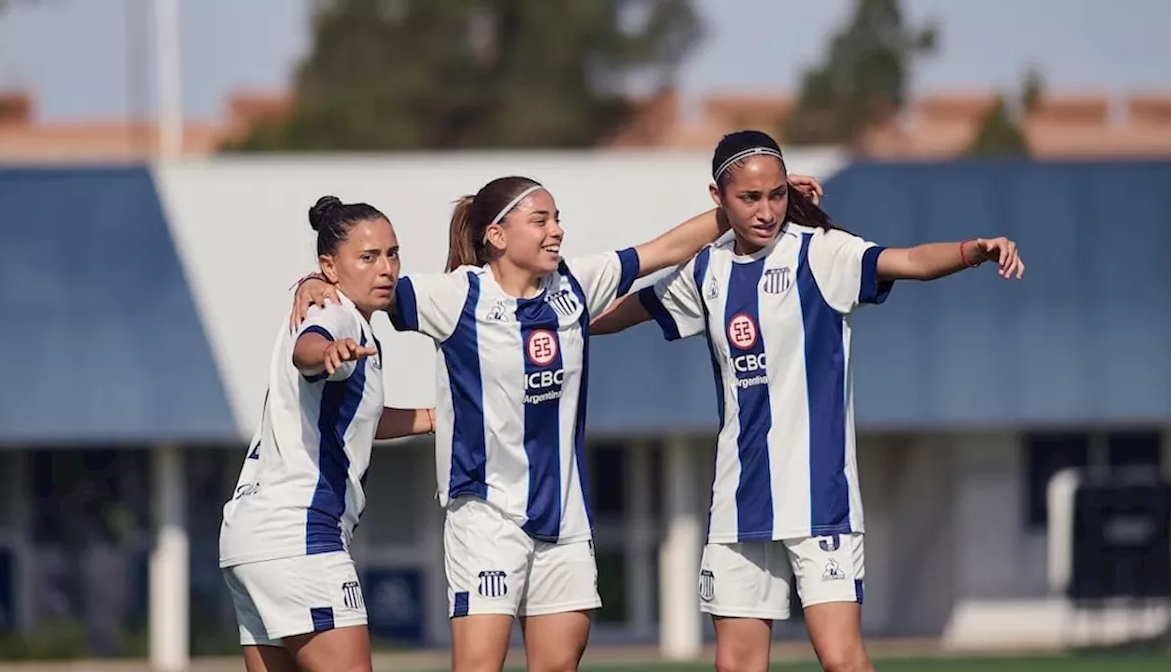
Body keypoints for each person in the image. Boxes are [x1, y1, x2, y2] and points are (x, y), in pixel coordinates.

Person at [289, 171, 824, 672]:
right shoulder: (456, 296)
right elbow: (365, 291)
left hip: (566, 523)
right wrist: (315, 282)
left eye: (557, 218)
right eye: (541, 220)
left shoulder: (575, 285)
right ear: (497, 235)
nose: (557, 231)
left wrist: (744, 199)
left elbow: (663, 249)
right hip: (485, 519)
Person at [589, 130, 1024, 672]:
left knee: (841, 659)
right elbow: (624, 314)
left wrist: (972, 252)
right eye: (750, 198)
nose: (767, 210)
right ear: (717, 198)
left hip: (821, 498)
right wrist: (556, 315)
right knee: (737, 665)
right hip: (738, 501)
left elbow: (909, 260)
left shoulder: (821, 252)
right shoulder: (707, 270)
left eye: (776, 194)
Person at [219, 196, 436, 672]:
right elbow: (307, 349)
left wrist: (437, 418)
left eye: (392, 253)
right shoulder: (334, 312)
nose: (386, 268)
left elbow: (363, 421)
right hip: (298, 533)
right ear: (328, 266)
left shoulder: (350, 321)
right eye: (368, 256)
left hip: (249, 536)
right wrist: (326, 351)